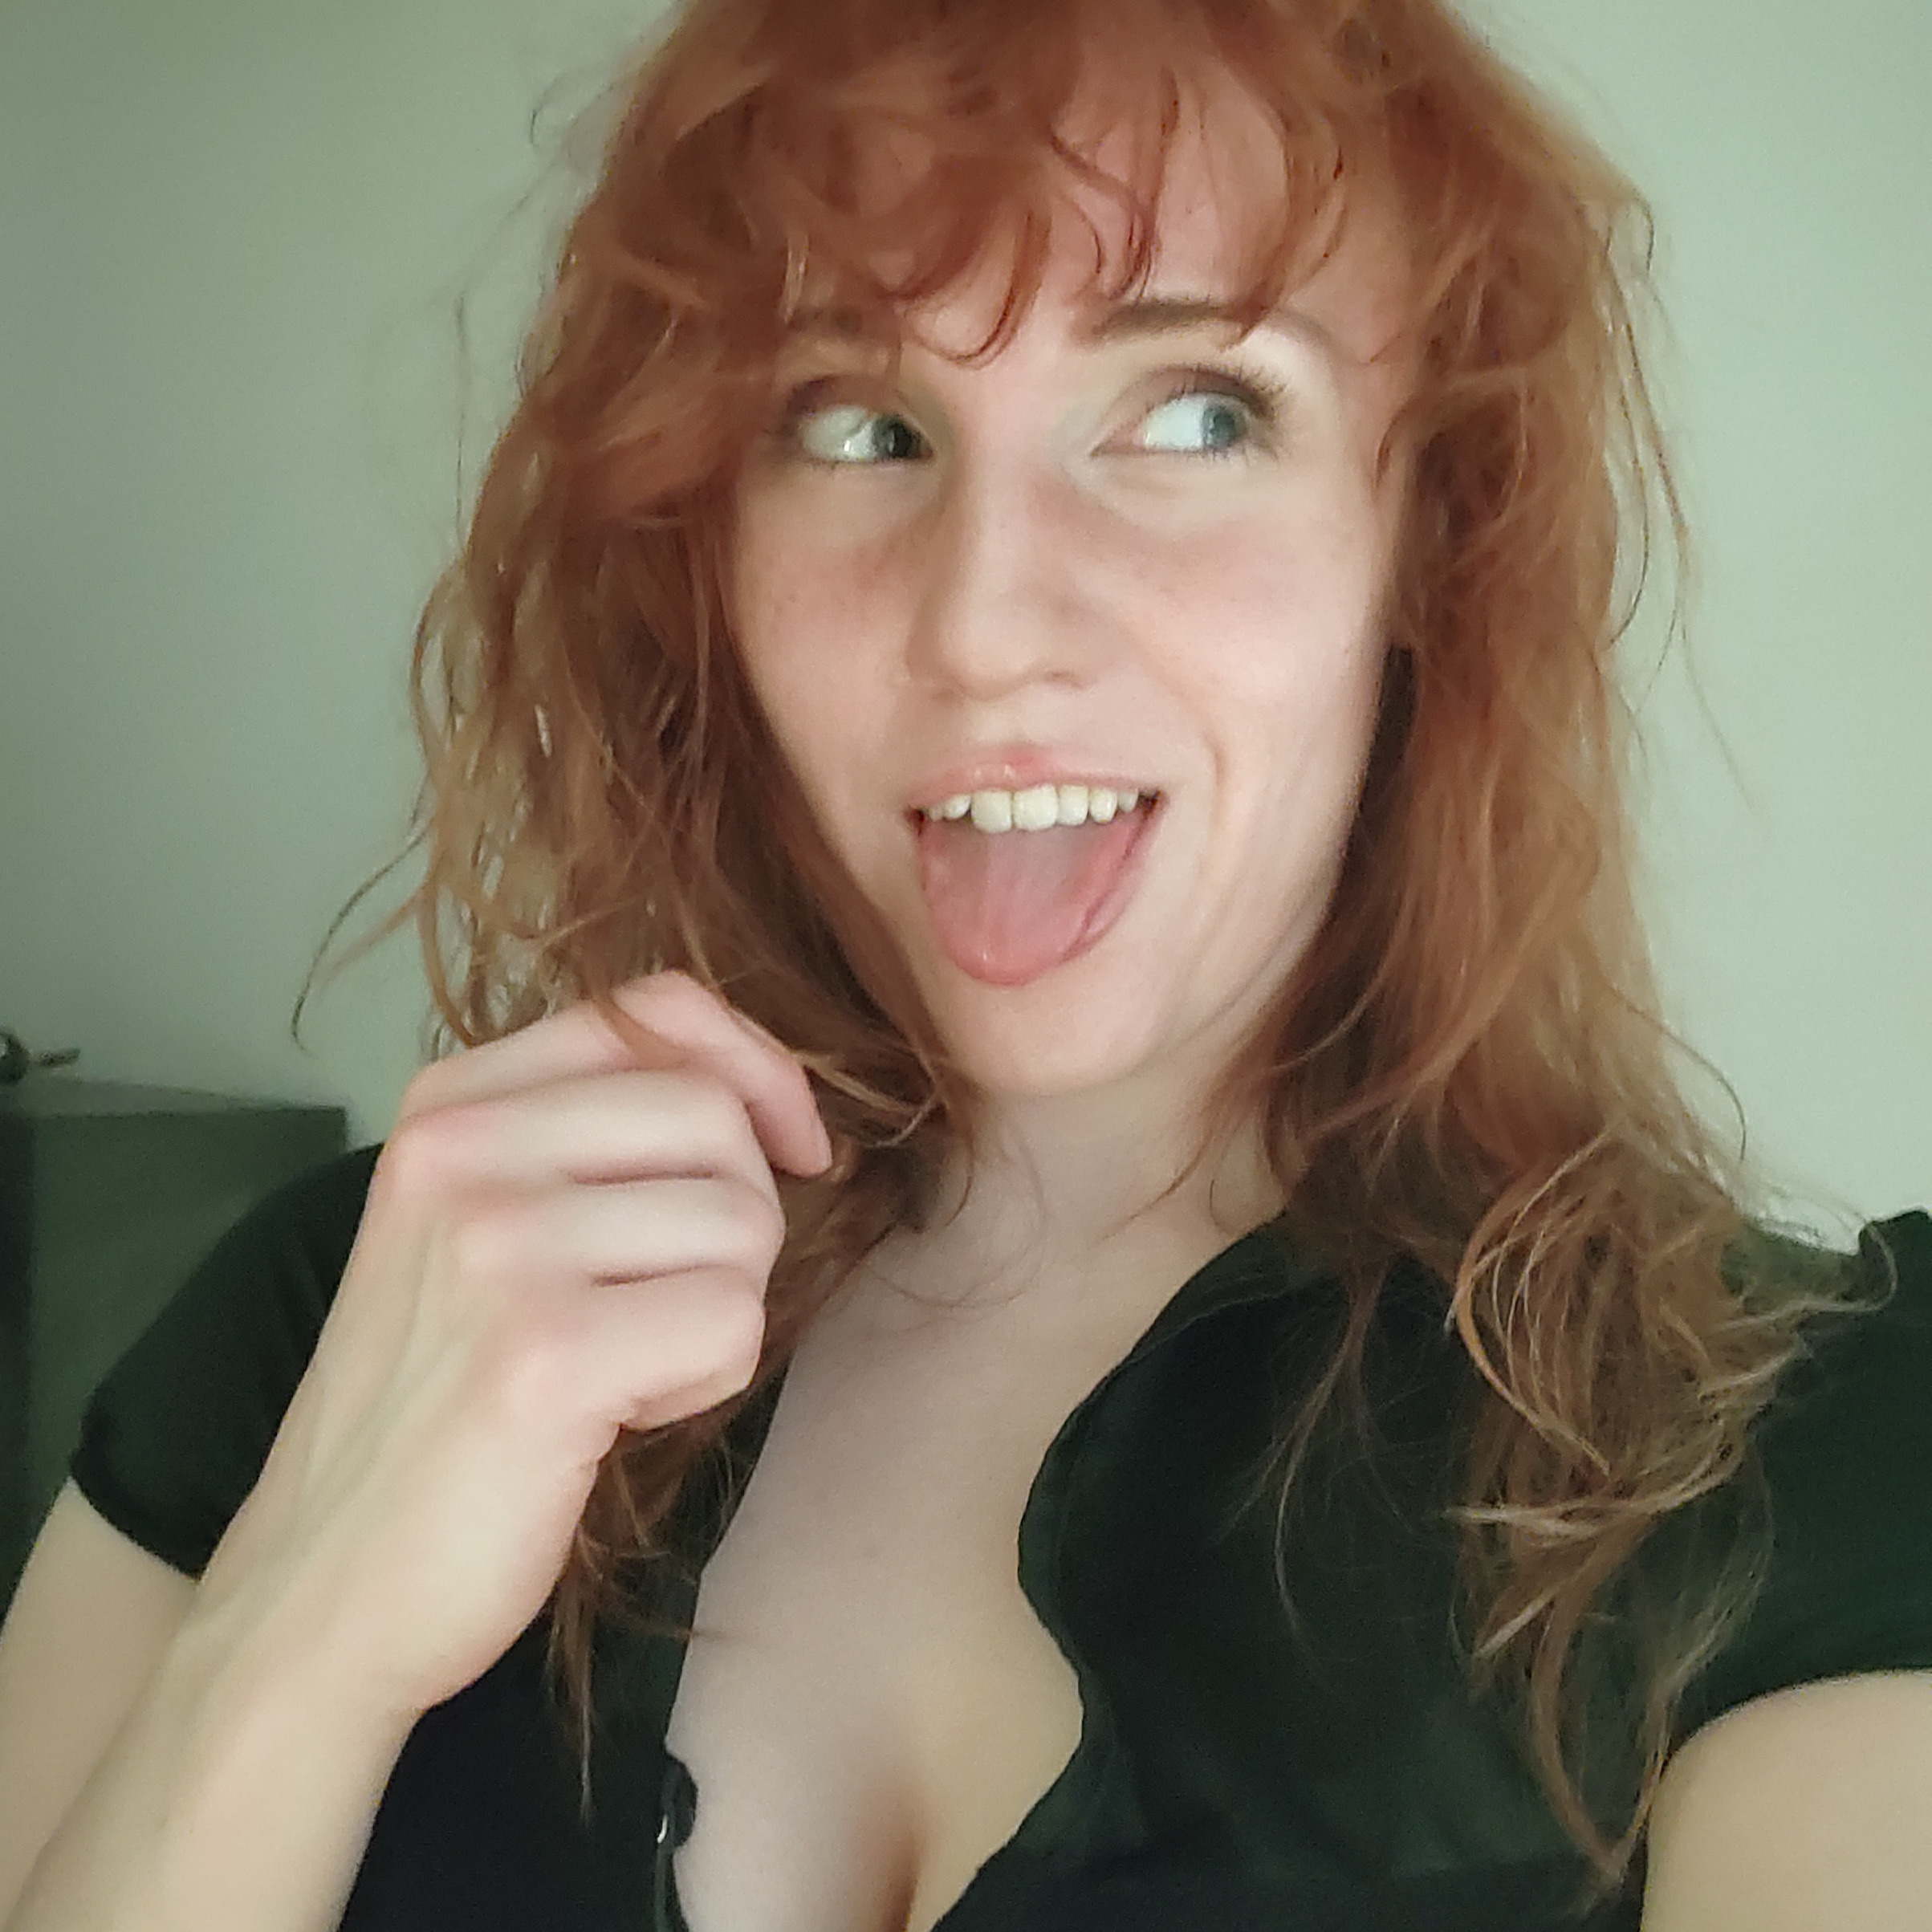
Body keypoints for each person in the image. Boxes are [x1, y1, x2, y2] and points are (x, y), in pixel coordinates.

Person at [1, 0, 1927, 1926]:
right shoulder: (354, 1317)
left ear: (1424, 528)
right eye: (861, 424)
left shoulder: (1799, 1461)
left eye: (1197, 411)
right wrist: (302, 1626)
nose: (985, 623)